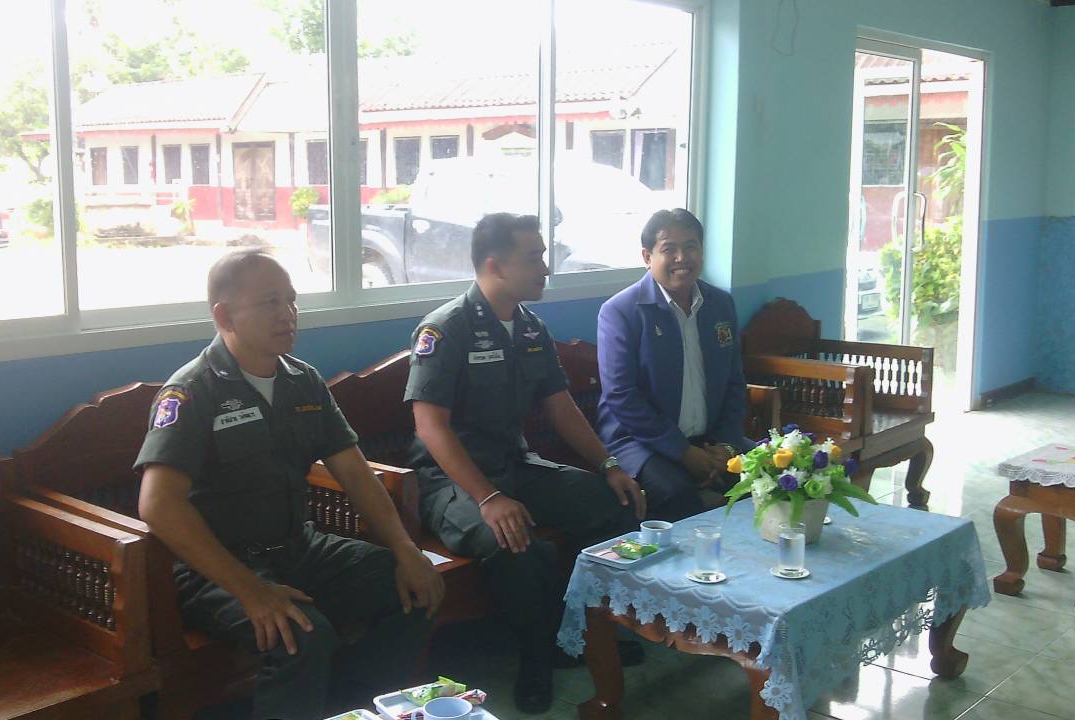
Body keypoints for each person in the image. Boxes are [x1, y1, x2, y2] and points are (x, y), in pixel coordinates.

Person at [135, 250, 445, 720]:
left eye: (291, 301)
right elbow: (158, 505)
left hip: (298, 547)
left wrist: (406, 550)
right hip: (216, 569)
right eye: (270, 303)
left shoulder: (303, 381)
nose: (288, 314)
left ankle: (353, 706)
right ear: (224, 316)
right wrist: (250, 591)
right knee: (300, 636)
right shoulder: (192, 391)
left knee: (412, 586)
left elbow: (356, 474)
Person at [404, 213, 646, 714]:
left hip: (515, 465)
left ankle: (584, 631)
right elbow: (431, 428)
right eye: (534, 258)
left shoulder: (531, 328)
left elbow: (561, 406)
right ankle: (538, 657)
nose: (545, 267)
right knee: (516, 543)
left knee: (613, 503)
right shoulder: (445, 329)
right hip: (451, 484)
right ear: (495, 265)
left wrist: (609, 466)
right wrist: (488, 498)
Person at [595, 208, 751, 521]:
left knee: (769, 474)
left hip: (710, 439)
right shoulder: (621, 311)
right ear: (647, 256)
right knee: (676, 493)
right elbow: (621, 396)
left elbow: (735, 382)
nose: (682, 257)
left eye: (691, 246)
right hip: (640, 442)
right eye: (669, 249)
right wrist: (683, 452)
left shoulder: (721, 304)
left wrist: (726, 446)